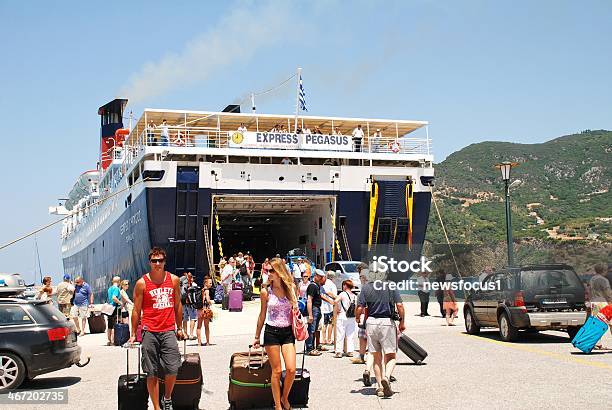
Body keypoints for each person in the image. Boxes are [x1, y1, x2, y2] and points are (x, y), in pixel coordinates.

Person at [129, 247, 183, 410]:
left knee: (173, 367)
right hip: (149, 331)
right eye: (154, 261)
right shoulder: (142, 283)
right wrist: (133, 333)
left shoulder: (173, 280)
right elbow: (136, 310)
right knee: (151, 371)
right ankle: (156, 407)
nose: (157, 263)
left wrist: (180, 327)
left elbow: (177, 304)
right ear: (150, 263)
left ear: (165, 262)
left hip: (168, 330)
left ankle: (167, 398)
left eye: (160, 260)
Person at [355, 265, 405, 398]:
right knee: (391, 356)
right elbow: (399, 306)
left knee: (377, 357)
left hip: (371, 322)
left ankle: (379, 388)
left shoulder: (366, 287)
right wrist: (402, 322)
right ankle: (386, 377)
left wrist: (356, 317)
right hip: (386, 322)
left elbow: (360, 307)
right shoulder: (390, 286)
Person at [253, 257, 297, 410]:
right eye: (267, 270)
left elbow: (297, 310)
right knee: (277, 371)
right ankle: (278, 405)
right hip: (271, 331)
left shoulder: (290, 288)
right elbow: (262, 315)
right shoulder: (266, 292)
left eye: (271, 270)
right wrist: (257, 337)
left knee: (291, 369)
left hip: (287, 332)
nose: (268, 273)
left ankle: (285, 398)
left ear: (279, 272)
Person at [305, 269, 327, 356]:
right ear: (316, 276)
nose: (321, 279)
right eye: (320, 277)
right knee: (311, 329)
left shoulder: (317, 286)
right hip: (313, 309)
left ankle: (313, 347)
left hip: (317, 308)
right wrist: (310, 314)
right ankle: (309, 348)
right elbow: (309, 300)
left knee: (314, 330)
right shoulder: (312, 286)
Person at [590, 263, 612, 348]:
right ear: (603, 270)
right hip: (603, 303)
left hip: (594, 303)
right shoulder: (604, 280)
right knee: (611, 323)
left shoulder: (592, 279)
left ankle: (596, 343)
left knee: (596, 322)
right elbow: (608, 293)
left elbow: (589, 290)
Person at [334, 279, 357, 358]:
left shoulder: (342, 294)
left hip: (342, 316)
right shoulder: (354, 296)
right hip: (351, 317)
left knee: (340, 334)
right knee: (350, 334)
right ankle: (350, 351)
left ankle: (339, 351)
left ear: (345, 286)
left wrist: (337, 309)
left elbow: (335, 301)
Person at [320, 271, 338, 346]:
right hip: (330, 307)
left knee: (324, 324)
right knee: (330, 323)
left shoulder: (323, 283)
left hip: (323, 306)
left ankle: (323, 339)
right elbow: (334, 295)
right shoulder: (332, 285)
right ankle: (329, 339)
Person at [181, 272, 198, 340]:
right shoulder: (194, 285)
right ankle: (191, 334)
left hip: (183, 303)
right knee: (193, 318)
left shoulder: (182, 285)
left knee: (184, 319)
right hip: (191, 304)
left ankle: (185, 334)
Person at [106, 276, 122, 346]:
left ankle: (109, 340)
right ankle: (113, 341)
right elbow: (114, 298)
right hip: (115, 308)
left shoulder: (109, 289)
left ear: (113, 281)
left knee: (109, 325)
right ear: (119, 282)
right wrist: (120, 302)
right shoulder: (117, 289)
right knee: (114, 325)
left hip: (109, 308)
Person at [198, 276, 213, 346]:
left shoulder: (202, 290)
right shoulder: (207, 290)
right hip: (205, 310)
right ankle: (207, 342)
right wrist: (210, 302)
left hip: (199, 309)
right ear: (206, 283)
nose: (211, 284)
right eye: (210, 283)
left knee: (199, 326)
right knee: (206, 326)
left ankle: (199, 342)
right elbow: (207, 300)